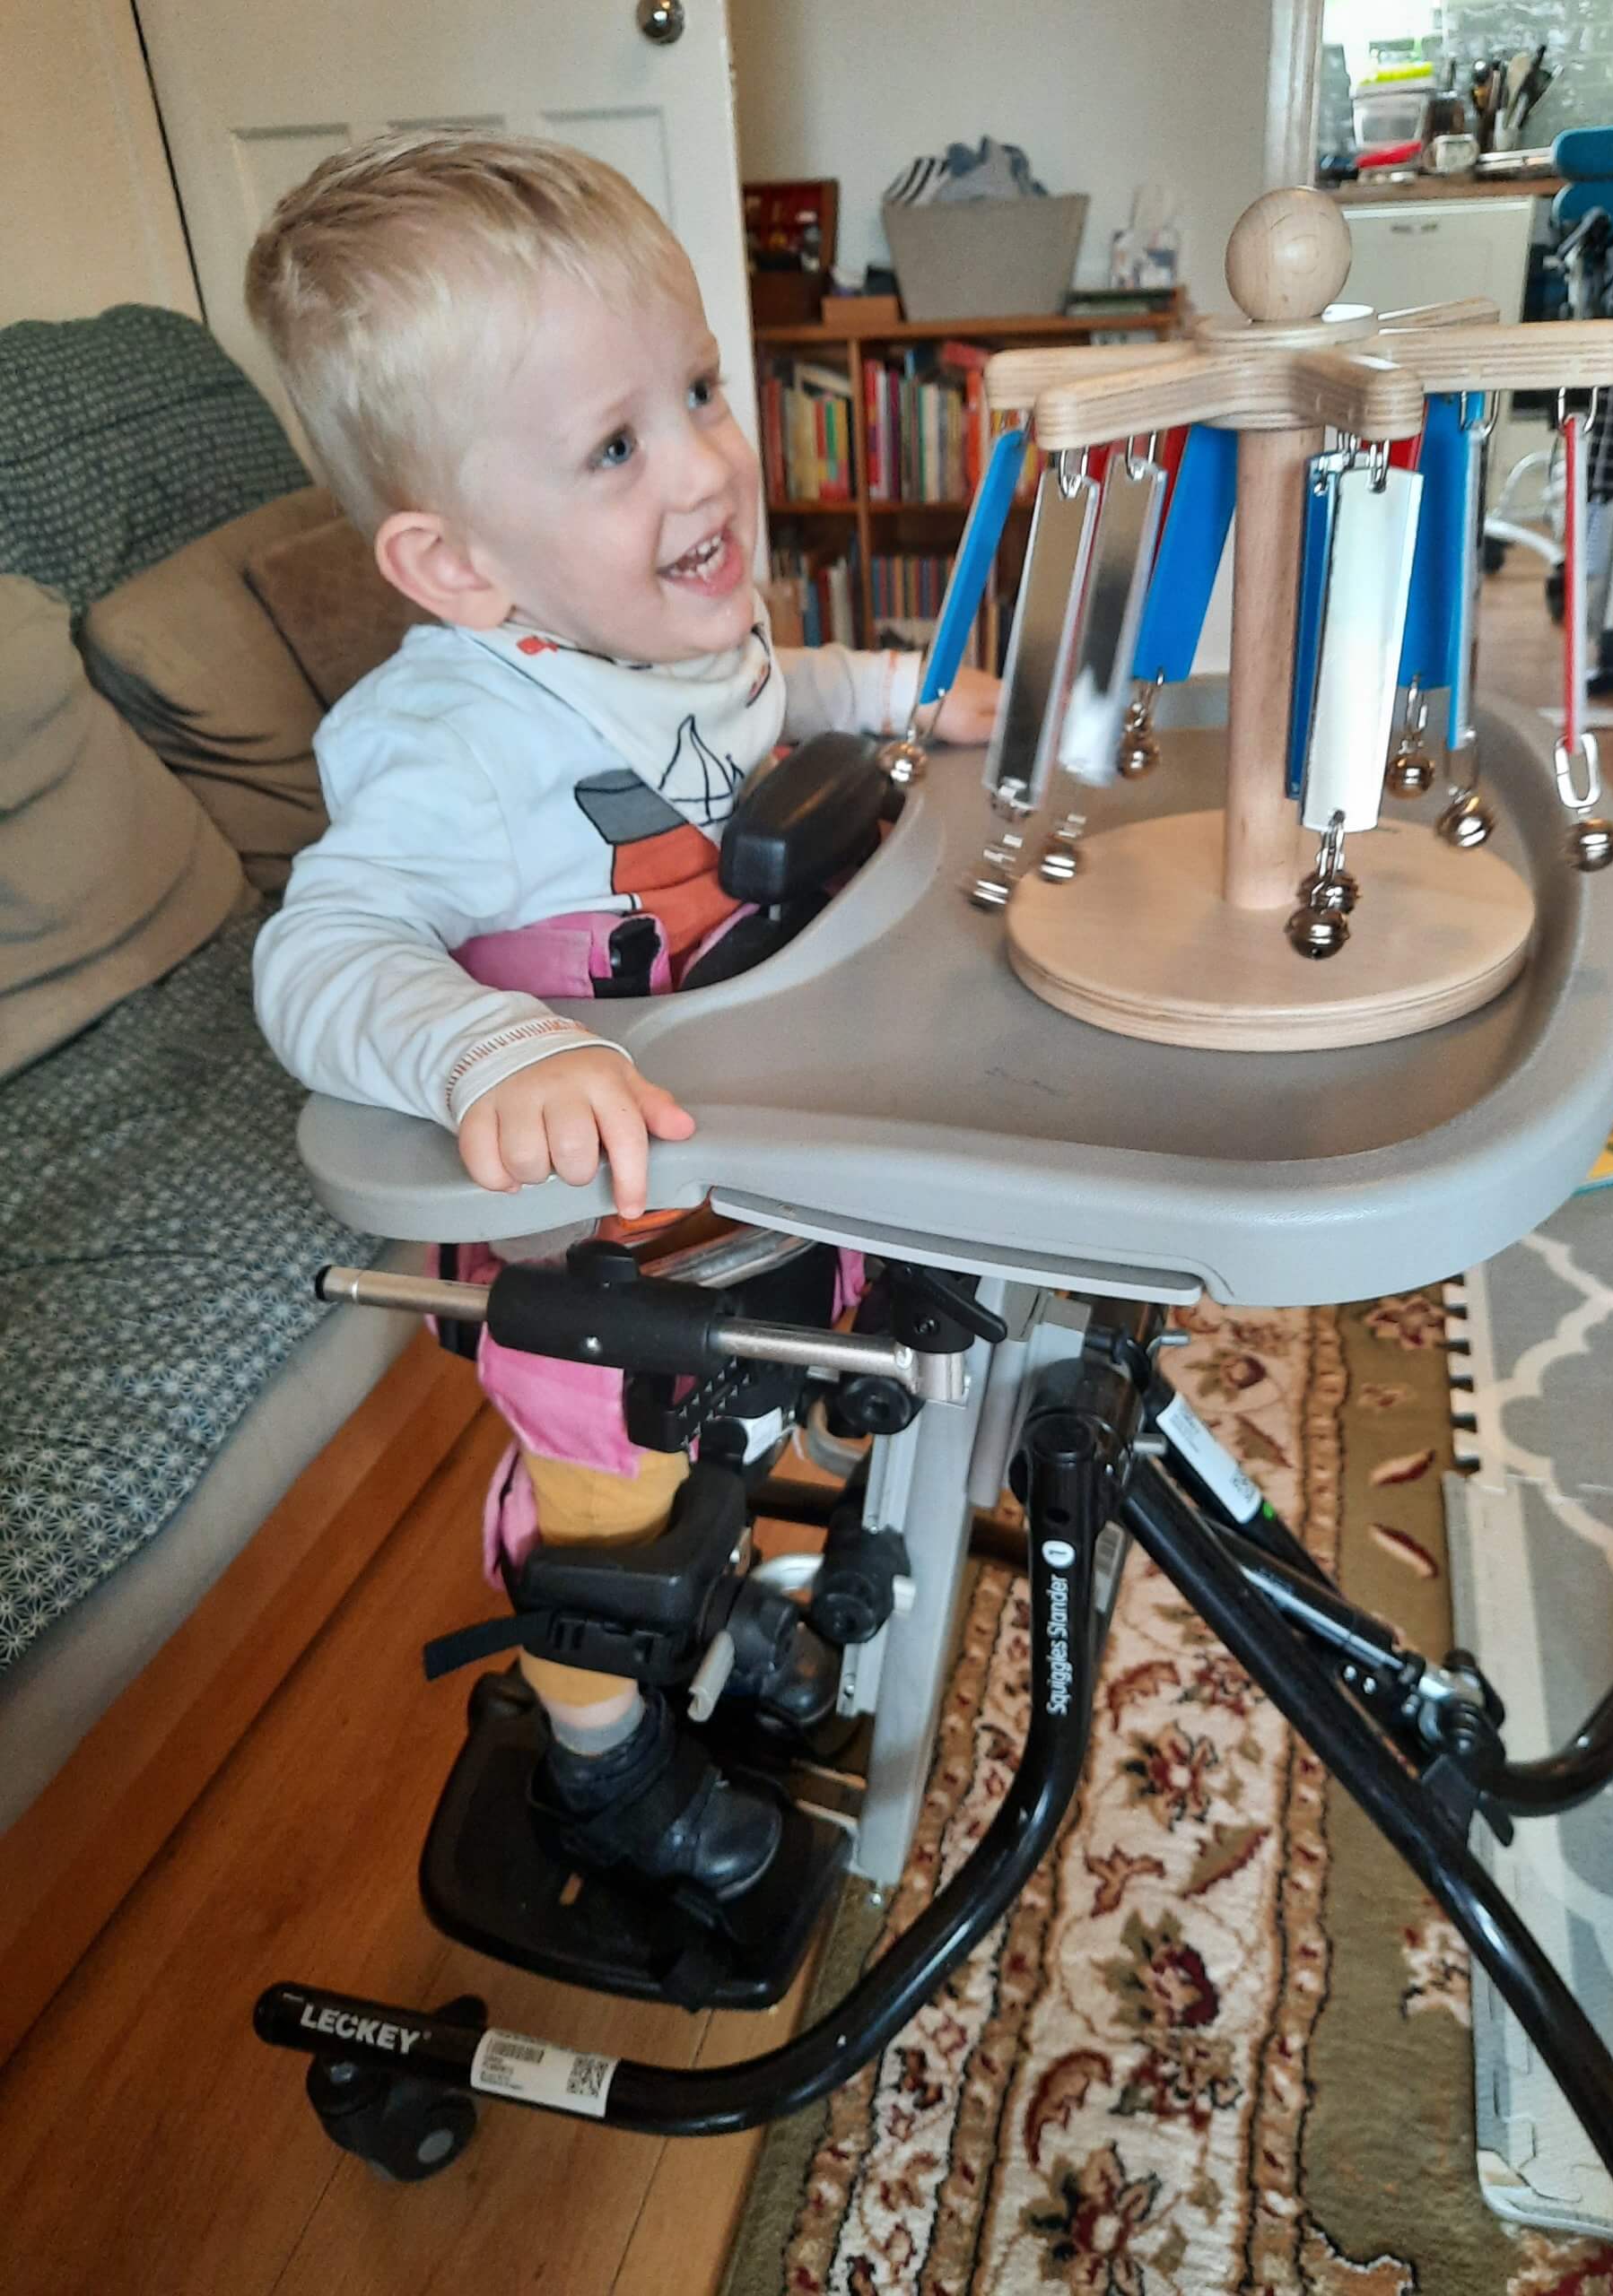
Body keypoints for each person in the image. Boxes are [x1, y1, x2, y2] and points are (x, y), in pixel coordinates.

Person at [247, 130, 1000, 1904]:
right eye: (615, 443)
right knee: (616, 1537)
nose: (708, 464)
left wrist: (898, 697)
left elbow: (767, 696)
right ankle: (600, 1762)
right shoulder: (455, 741)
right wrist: (486, 1043)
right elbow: (321, 947)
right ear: (455, 567)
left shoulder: (658, 627)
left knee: (743, 1448)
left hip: (745, 1164)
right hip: (596, 1261)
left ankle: (728, 1621)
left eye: (698, 391)